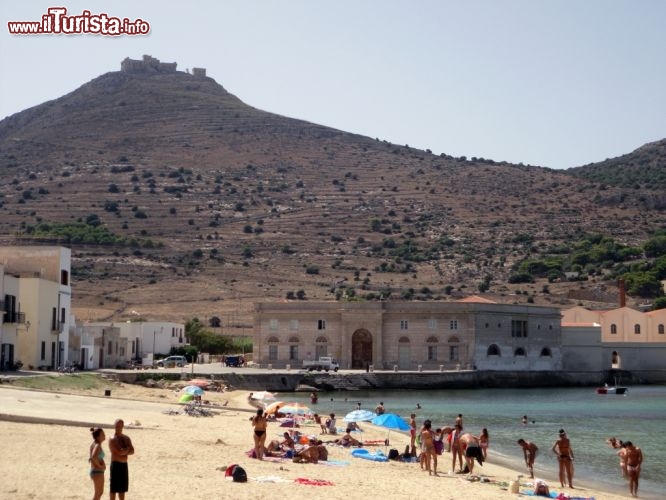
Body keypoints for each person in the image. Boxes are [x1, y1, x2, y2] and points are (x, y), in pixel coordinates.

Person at [108, 419, 134, 500]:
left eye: (120, 426)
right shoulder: (112, 439)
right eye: (117, 426)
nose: (118, 427)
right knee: (113, 489)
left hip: (124, 465)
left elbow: (132, 451)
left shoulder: (126, 438)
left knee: (122, 489)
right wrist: (126, 450)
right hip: (116, 465)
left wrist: (124, 451)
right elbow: (118, 452)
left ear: (122, 426)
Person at [88, 427, 106, 500]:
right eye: (102, 434)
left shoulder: (94, 443)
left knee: (98, 493)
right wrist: (100, 466)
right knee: (98, 494)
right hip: (97, 472)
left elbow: (93, 457)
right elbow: (93, 457)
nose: (104, 435)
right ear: (98, 436)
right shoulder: (97, 445)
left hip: (95, 471)